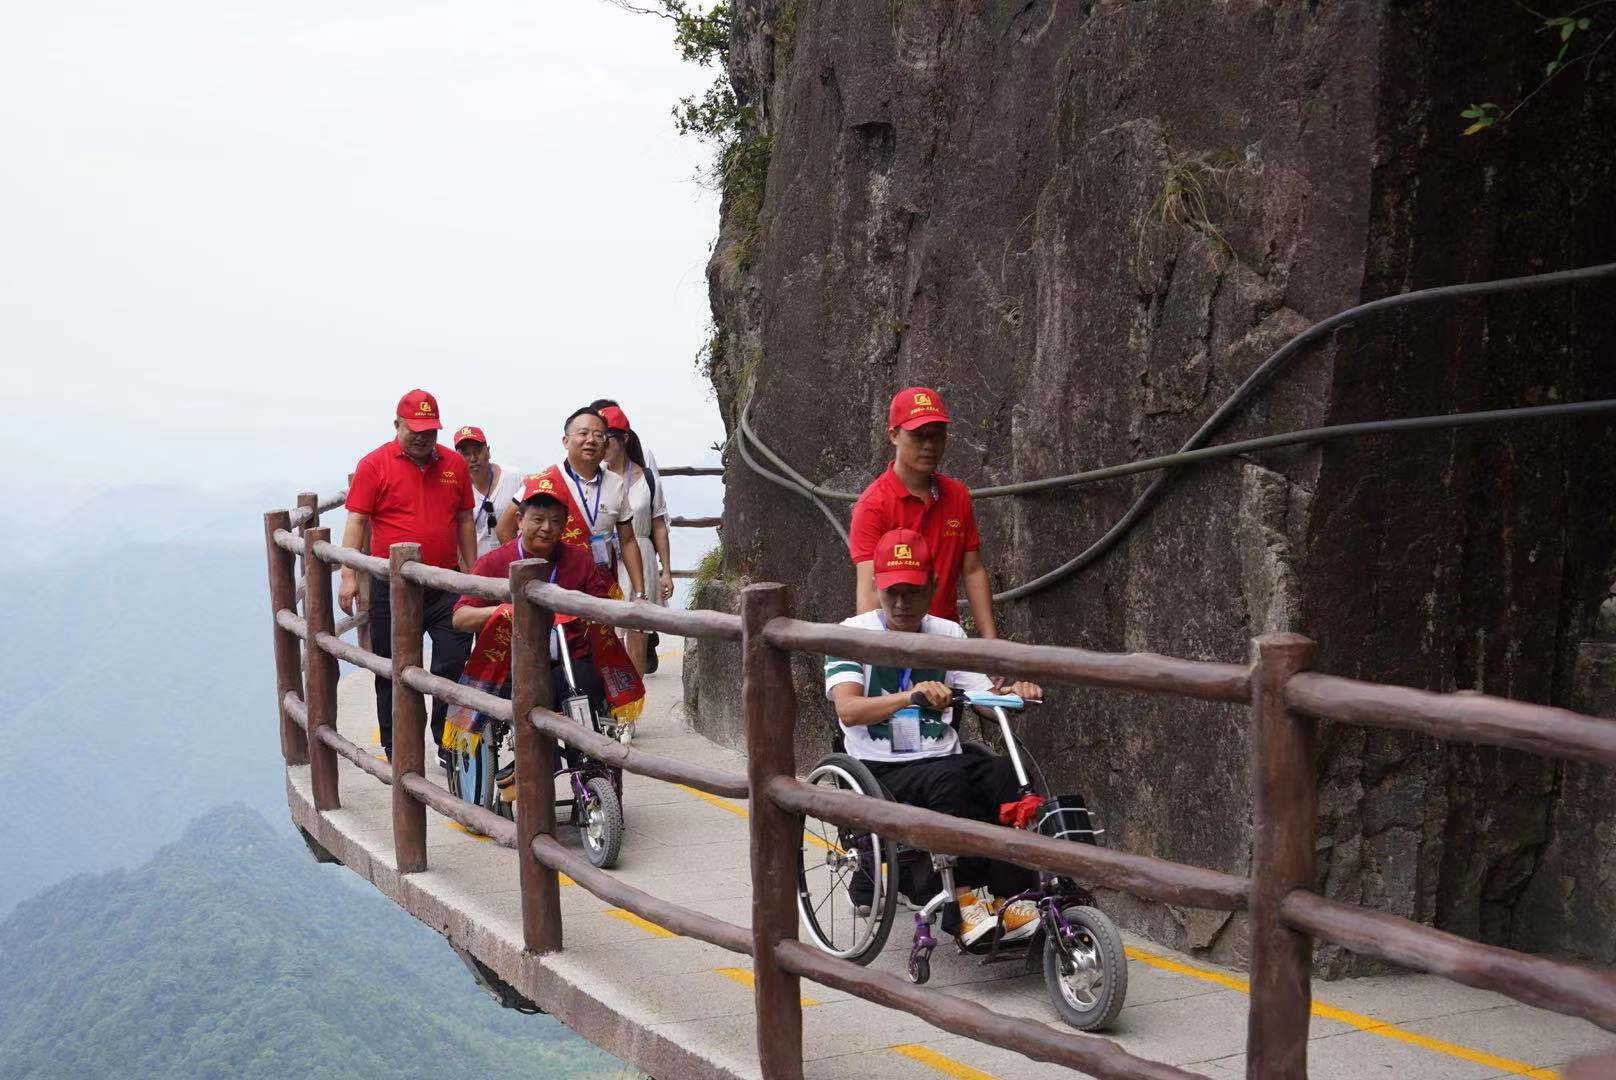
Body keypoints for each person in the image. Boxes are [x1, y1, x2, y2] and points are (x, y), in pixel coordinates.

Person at [824, 527, 1044, 946]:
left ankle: (1014, 899)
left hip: (943, 756)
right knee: (950, 782)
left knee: (1004, 774)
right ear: (877, 587)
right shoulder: (850, 633)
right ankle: (963, 903)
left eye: (913, 591)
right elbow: (848, 711)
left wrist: (1012, 692)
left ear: (934, 586)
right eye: (892, 593)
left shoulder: (948, 635)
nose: (902, 603)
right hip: (881, 767)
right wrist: (911, 695)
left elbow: (982, 697)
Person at [339, 389, 476, 762]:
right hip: (394, 586)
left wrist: (471, 571)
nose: (422, 437)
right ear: (397, 425)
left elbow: (465, 519)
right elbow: (357, 520)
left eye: (430, 430)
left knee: (452, 662)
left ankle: (448, 742)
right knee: (393, 666)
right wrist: (349, 573)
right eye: (414, 429)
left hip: (445, 581)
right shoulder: (374, 465)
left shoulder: (454, 465)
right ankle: (397, 744)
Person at [451, 490, 616, 718]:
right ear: (519, 520)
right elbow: (460, 618)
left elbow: (604, 610)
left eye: (556, 521)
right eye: (538, 519)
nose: (547, 528)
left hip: (569, 661)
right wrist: (506, 612)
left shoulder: (580, 559)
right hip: (510, 666)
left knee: (588, 690)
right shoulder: (493, 562)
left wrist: (583, 610)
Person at [849, 387, 997, 639]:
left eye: (937, 435)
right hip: (899, 645)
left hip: (948, 638)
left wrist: (991, 642)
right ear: (894, 435)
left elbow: (972, 570)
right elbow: (870, 594)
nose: (929, 445)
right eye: (919, 436)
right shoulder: (873, 506)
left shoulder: (957, 495)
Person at [494, 408, 649, 603]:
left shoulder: (615, 483)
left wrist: (640, 594)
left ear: (605, 443)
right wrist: (527, 572)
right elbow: (504, 529)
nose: (590, 440)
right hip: (554, 587)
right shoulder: (543, 481)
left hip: (601, 587)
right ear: (565, 441)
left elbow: (627, 541)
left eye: (598, 435)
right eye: (583, 433)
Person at [599, 404, 674, 677]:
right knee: (609, 632)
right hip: (605, 559)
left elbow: (659, 524)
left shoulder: (647, 478)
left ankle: (633, 705)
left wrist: (666, 570)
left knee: (638, 631)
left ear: (624, 439)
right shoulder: (596, 480)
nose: (602, 443)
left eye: (608, 437)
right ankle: (614, 703)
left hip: (641, 555)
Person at [453, 424, 523, 558]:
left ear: (488, 451)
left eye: (478, 451)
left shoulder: (515, 478)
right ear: (457, 457)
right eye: (466, 454)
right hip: (477, 567)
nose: (473, 458)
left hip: (513, 562)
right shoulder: (455, 487)